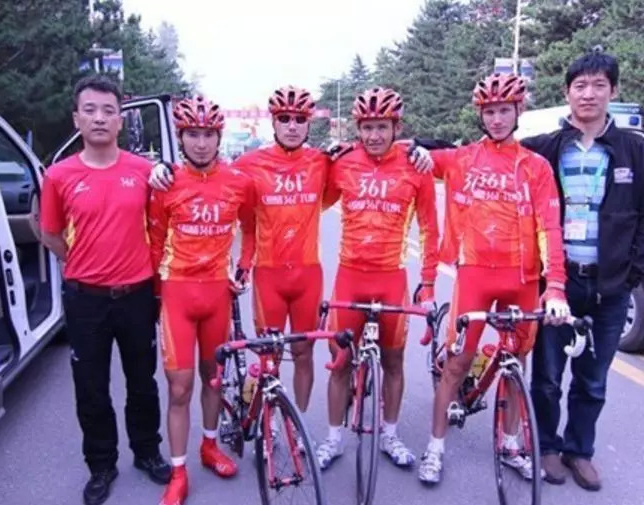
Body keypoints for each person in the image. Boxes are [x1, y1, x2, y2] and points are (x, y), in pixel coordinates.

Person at [149, 86, 433, 422]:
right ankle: (267, 425)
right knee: (269, 357)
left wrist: (415, 148)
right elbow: (208, 170)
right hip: (268, 275)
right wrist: (162, 168)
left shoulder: (324, 161)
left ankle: (297, 427)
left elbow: (367, 151)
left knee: (303, 354)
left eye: (299, 119)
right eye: (284, 119)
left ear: (309, 123)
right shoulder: (249, 164)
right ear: (273, 122)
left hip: (308, 275)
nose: (292, 126)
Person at [415, 73, 570, 485]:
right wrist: (407, 148)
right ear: (480, 115)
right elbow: (402, 152)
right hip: (475, 276)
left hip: (522, 279)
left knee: (517, 362)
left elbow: (549, 227)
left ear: (519, 111)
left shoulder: (536, 167)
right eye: (489, 112)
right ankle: (435, 447)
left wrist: (555, 286)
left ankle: (511, 443)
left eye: (504, 110)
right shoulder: (461, 158)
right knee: (457, 363)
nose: (497, 119)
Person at [521, 49, 644, 491]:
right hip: (556, 284)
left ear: (613, 91)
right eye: (580, 85)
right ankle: (546, 445)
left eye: (599, 85)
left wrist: (632, 271)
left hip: (609, 287)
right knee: (547, 377)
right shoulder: (545, 148)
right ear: (567, 92)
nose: (589, 94)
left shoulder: (636, 150)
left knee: (593, 379)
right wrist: (420, 150)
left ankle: (579, 451)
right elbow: (488, 153)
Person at [39, 75, 170, 505]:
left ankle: (147, 451)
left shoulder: (144, 172)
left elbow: (161, 227)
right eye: (90, 110)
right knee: (91, 387)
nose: (99, 118)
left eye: (108, 110)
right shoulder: (59, 176)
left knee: (142, 381)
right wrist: (82, 263)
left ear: (120, 120)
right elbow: (50, 234)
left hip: (137, 295)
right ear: (76, 118)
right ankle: (101, 465)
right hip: (86, 300)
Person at [315, 87, 439, 471]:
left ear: (396, 127)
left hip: (391, 280)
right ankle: (333, 438)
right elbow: (316, 203)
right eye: (367, 127)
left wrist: (428, 284)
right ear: (358, 128)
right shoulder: (343, 162)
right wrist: (323, 161)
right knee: (340, 362)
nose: (373, 135)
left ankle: (390, 434)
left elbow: (429, 229)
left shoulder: (415, 166)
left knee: (394, 361)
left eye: (382, 127)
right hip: (349, 278)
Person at [148, 96, 255, 505]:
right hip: (177, 293)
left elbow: (251, 228)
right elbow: (154, 240)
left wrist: (243, 267)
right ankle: (178, 472)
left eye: (208, 134)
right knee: (180, 388)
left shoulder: (238, 182)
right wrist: (155, 295)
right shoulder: (166, 183)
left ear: (218, 137)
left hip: (216, 294)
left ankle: (209, 447)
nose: (201, 142)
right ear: (180, 137)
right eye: (192, 133)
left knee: (214, 378)